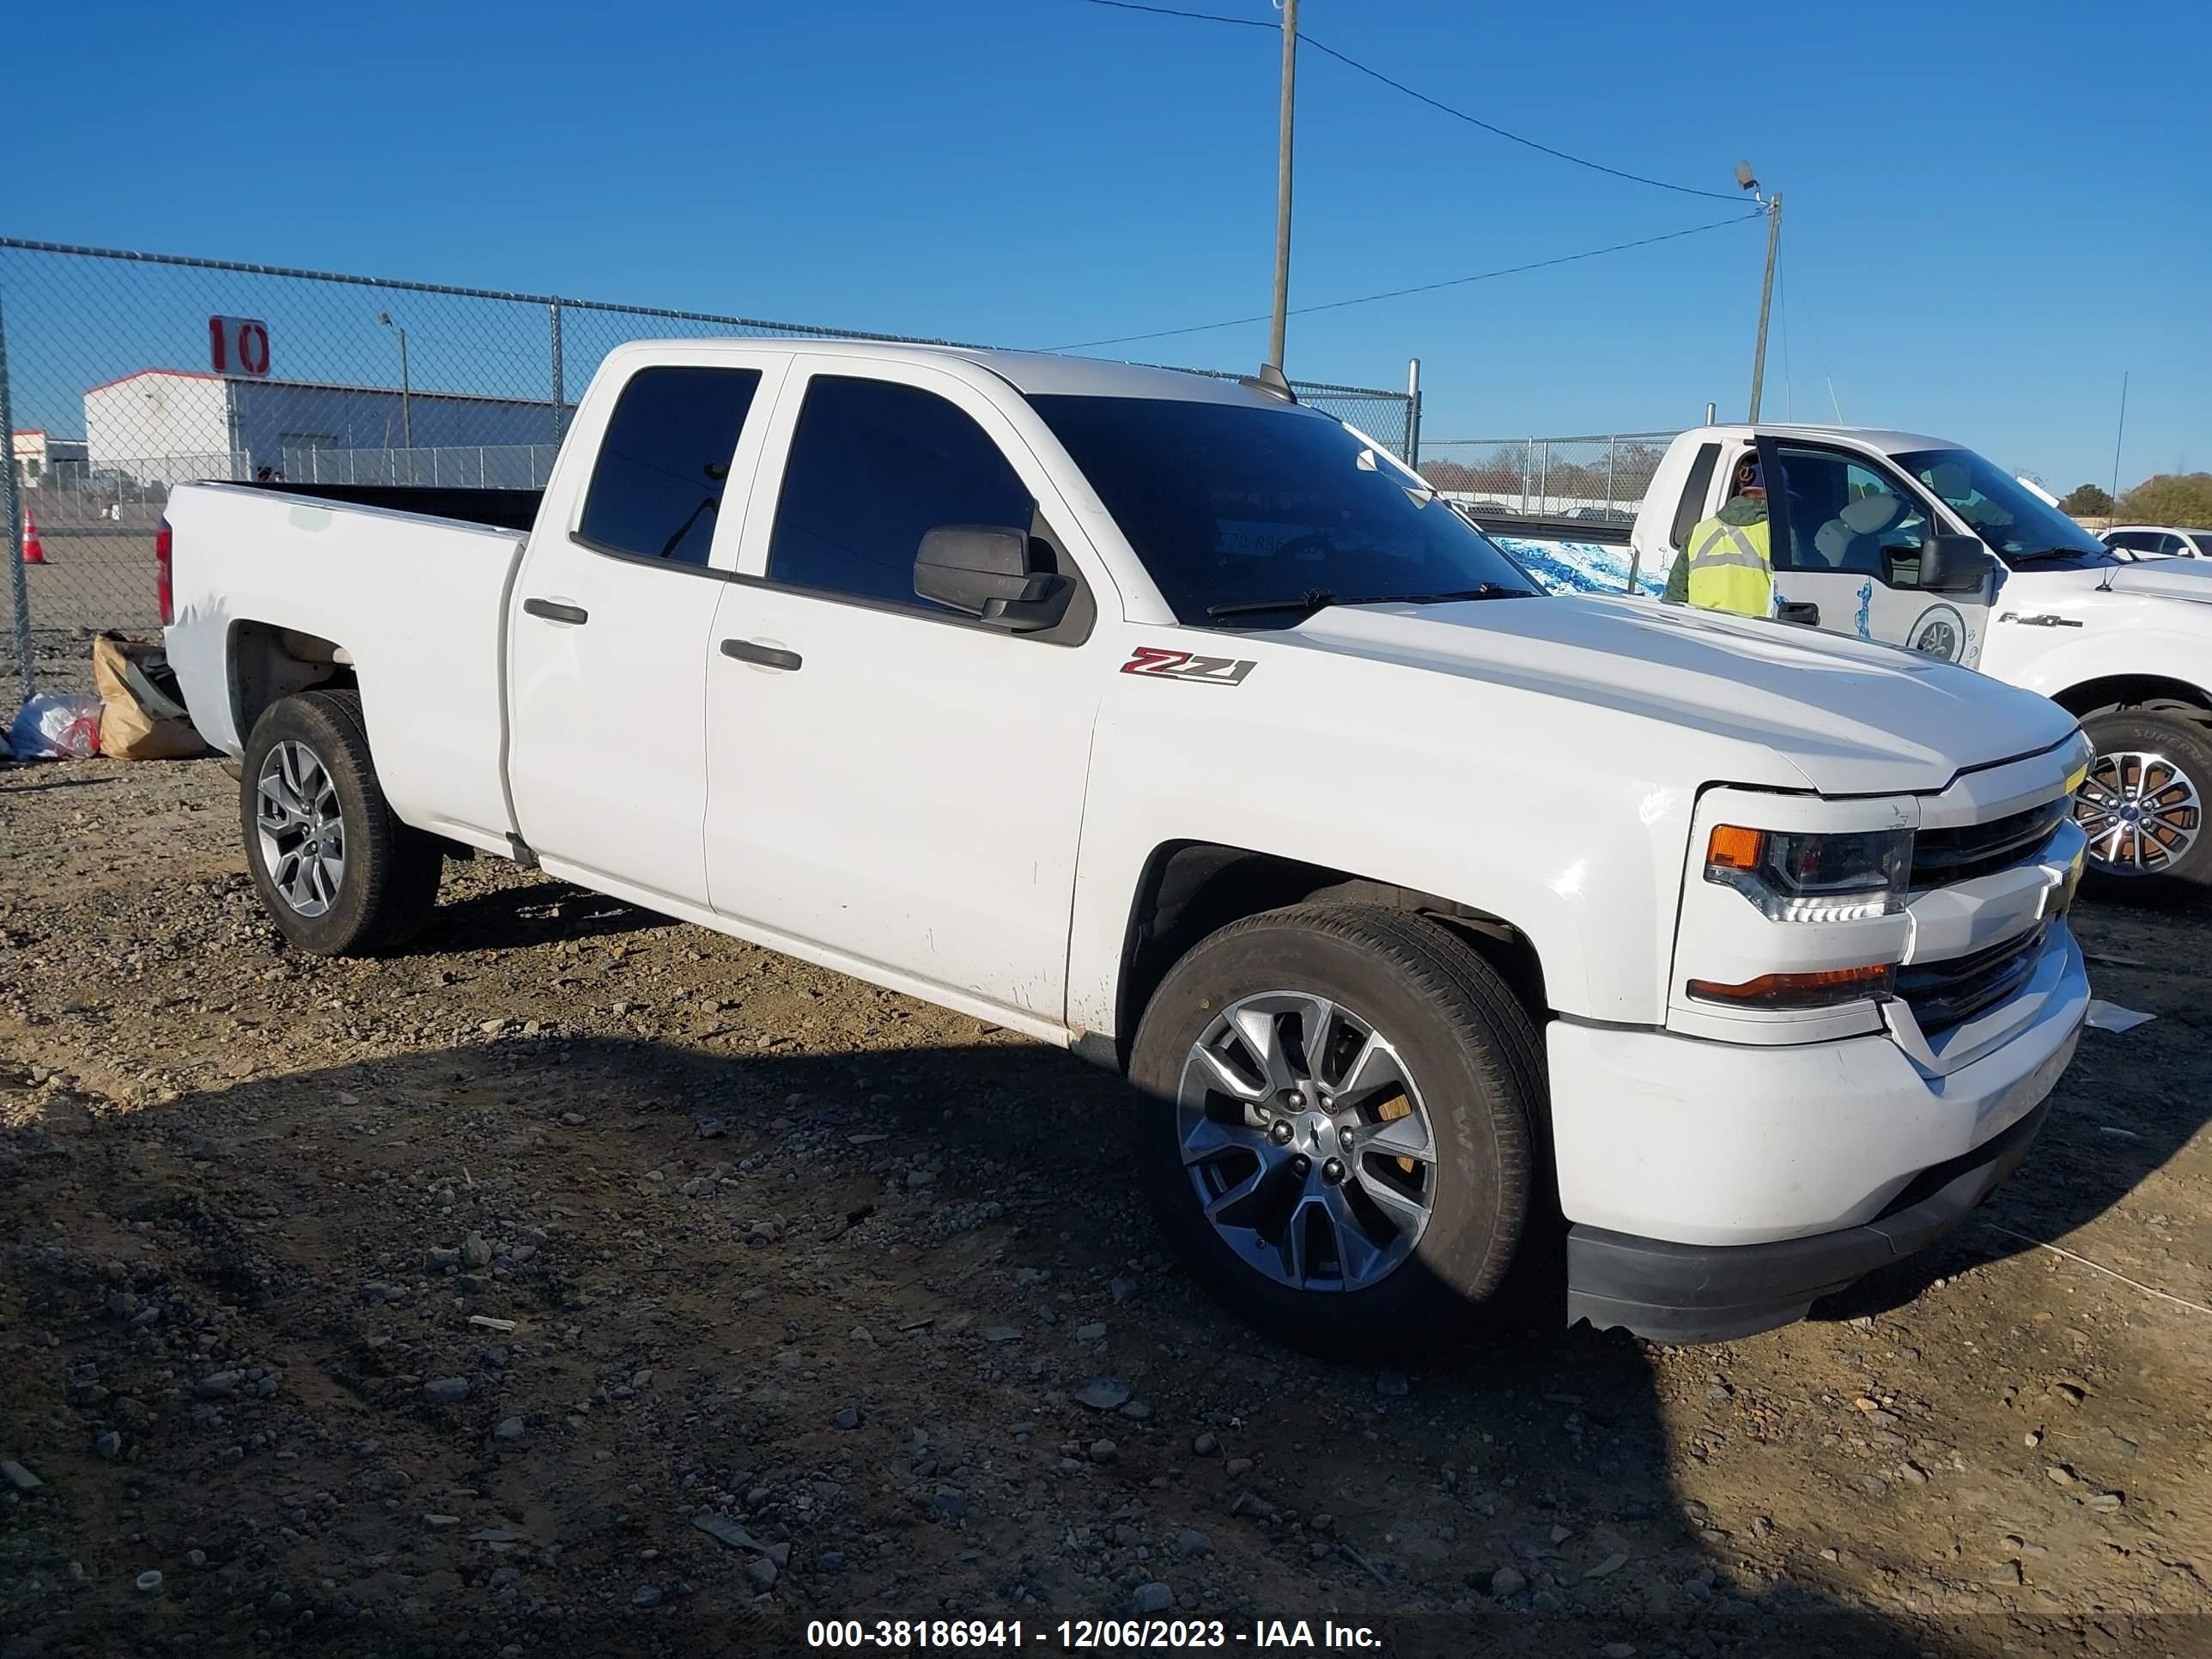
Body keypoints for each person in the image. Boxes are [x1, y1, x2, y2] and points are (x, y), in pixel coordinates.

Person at [1665, 455, 1772, 617]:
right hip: (1759, 635)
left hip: (1703, 634)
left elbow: (1674, 598)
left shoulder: (1698, 532)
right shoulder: (1781, 535)